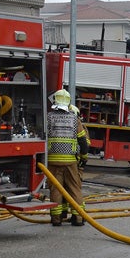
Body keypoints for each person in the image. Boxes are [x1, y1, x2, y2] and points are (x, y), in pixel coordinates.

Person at [46, 89, 90, 227]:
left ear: (55, 101)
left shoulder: (49, 117)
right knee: (74, 188)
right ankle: (78, 218)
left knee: (56, 189)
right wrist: (83, 157)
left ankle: (56, 219)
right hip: (70, 161)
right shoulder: (74, 119)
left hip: (53, 160)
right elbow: (83, 141)